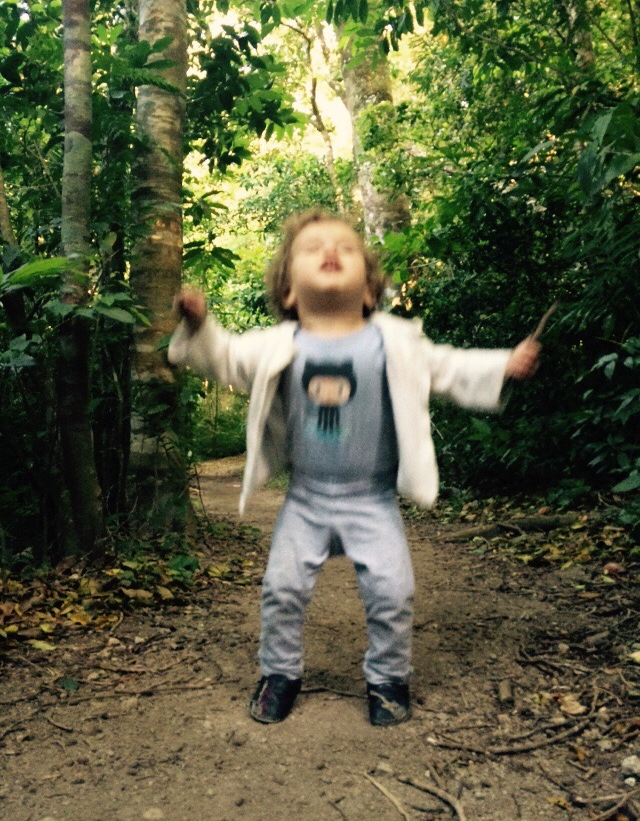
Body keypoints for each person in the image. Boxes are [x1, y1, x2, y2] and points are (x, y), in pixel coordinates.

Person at [168, 208, 540, 727]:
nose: (331, 251)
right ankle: (279, 672)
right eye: (313, 248)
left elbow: (450, 366)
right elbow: (223, 357)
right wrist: (200, 325)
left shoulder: (395, 342)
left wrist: (503, 364)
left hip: (373, 498)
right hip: (306, 498)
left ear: (368, 291)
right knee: (282, 589)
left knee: (393, 590)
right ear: (288, 293)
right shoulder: (277, 345)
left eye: (345, 247)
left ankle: (388, 678)